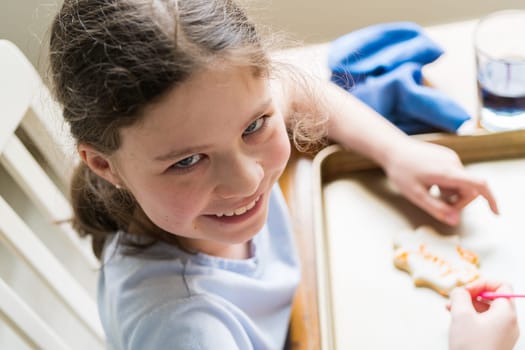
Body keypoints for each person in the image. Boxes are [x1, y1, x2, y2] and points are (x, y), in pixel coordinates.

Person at [47, 0, 518, 349]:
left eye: (254, 126)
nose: (247, 180)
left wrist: (395, 150)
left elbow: (293, 87)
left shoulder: (213, 121)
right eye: (187, 161)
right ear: (105, 166)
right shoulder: (184, 330)